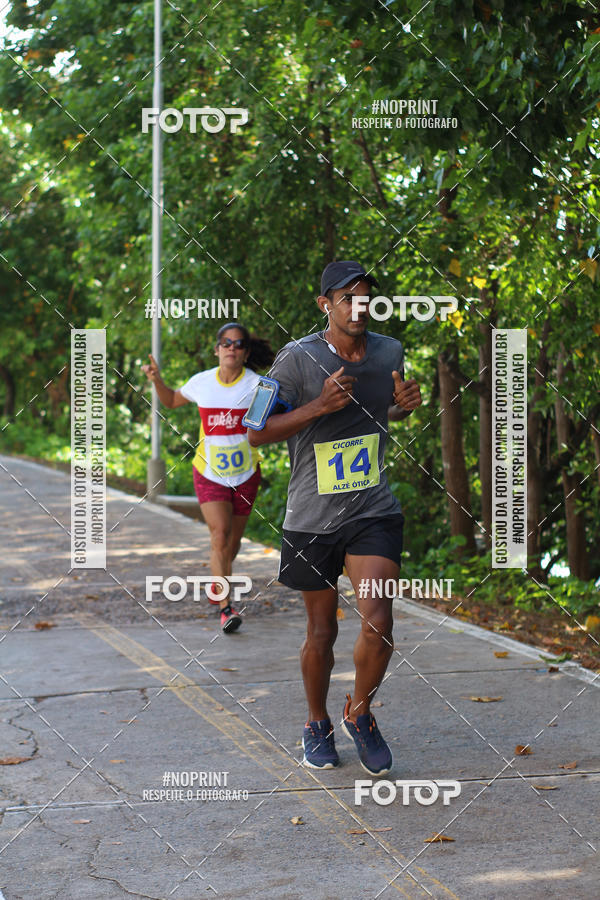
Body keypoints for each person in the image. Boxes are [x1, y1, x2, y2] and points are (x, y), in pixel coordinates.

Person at [248, 261, 422, 775]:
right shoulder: (295, 360)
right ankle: (316, 722)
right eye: (348, 297)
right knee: (321, 633)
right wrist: (316, 408)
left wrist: (404, 407)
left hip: (372, 510)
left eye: (366, 297)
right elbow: (255, 430)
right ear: (325, 305)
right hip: (313, 516)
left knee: (380, 623)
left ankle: (361, 712)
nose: (359, 306)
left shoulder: (389, 351)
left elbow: (377, 413)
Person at [142, 323, 274, 633]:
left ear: (246, 352)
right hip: (209, 472)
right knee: (220, 534)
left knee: (232, 544)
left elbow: (273, 421)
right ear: (216, 350)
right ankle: (226, 609)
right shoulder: (202, 383)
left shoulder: (257, 385)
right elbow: (173, 401)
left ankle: (220, 583)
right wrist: (157, 380)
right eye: (225, 343)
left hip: (245, 475)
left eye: (238, 343)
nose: (231, 347)